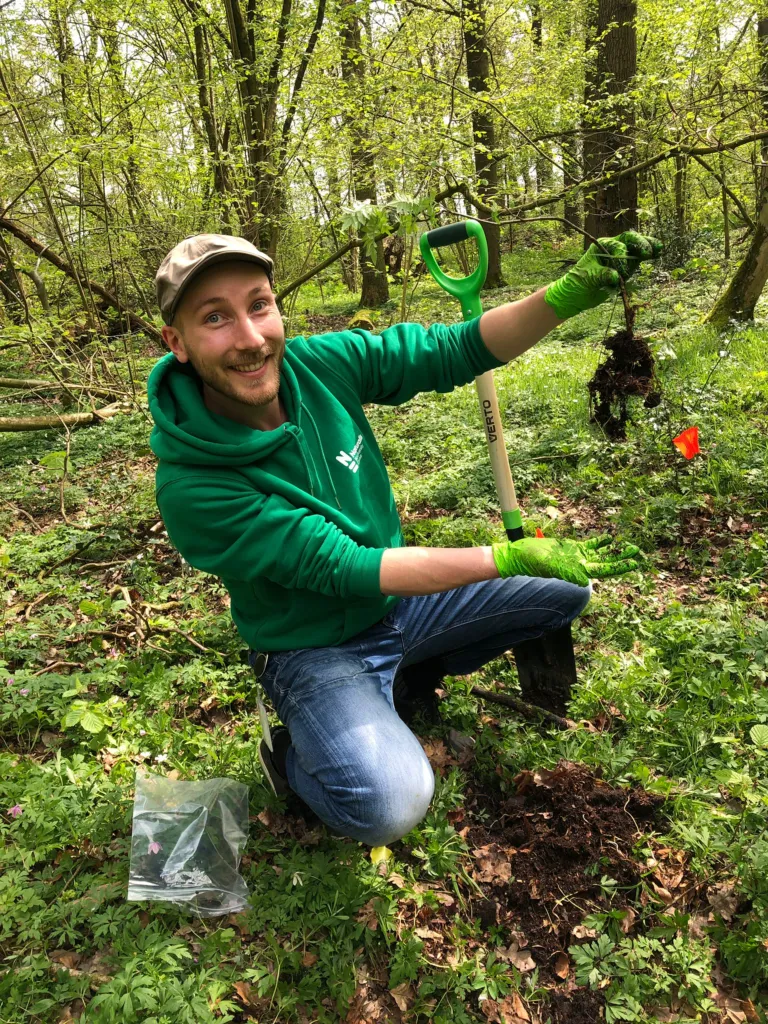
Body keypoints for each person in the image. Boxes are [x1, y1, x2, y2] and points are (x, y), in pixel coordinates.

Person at [148, 229, 659, 848]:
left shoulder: (319, 365)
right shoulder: (193, 486)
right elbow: (352, 566)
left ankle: (405, 679)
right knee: (389, 803)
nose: (251, 339)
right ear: (177, 342)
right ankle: (291, 756)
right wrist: (500, 557)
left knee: (562, 591)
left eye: (259, 304)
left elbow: (451, 350)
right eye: (215, 319)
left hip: (399, 609)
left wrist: (564, 297)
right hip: (314, 649)